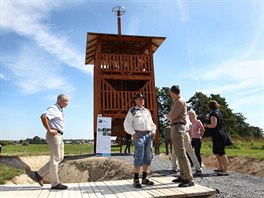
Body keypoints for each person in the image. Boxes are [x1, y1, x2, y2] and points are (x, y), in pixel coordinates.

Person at [34, 94, 69, 190]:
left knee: (60, 157)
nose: (67, 103)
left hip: (59, 135)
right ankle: (55, 183)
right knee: (55, 158)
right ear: (59, 101)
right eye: (66, 101)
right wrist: (49, 130)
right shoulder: (54, 108)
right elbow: (43, 116)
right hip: (54, 135)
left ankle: (39, 173)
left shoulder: (59, 110)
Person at [124, 93, 156, 188]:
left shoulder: (147, 111)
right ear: (135, 100)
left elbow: (152, 123)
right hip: (139, 135)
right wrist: (133, 133)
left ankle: (144, 178)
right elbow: (126, 124)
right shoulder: (132, 111)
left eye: (143, 99)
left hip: (148, 135)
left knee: (148, 156)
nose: (142, 100)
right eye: (139, 99)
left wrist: (153, 130)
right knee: (138, 156)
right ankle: (136, 179)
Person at [168, 85, 194, 187]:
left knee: (181, 153)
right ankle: (183, 175)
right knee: (179, 152)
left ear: (173, 93)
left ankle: (188, 178)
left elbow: (172, 116)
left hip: (178, 126)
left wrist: (169, 115)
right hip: (176, 126)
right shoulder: (178, 102)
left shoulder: (179, 102)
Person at [204, 100, 229, 176]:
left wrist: (206, 125)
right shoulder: (218, 112)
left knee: (221, 152)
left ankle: (225, 170)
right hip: (219, 134)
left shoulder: (213, 114)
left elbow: (213, 125)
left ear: (209, 107)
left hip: (218, 134)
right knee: (216, 152)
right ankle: (221, 167)